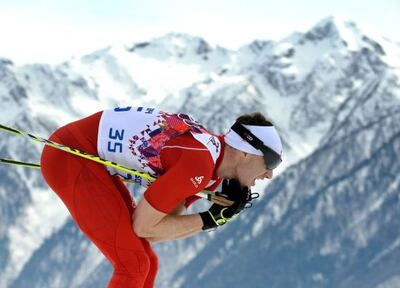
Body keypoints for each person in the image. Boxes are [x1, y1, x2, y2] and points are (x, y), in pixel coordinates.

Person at [40, 106, 283, 288]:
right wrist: (209, 219)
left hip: (87, 157)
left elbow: (155, 230)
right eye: (270, 161)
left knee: (146, 261)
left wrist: (212, 219)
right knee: (133, 266)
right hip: (71, 156)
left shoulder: (212, 172)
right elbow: (143, 226)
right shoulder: (199, 164)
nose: (270, 174)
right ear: (245, 152)